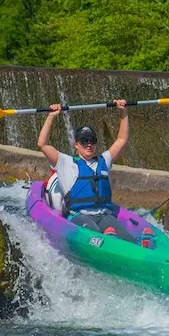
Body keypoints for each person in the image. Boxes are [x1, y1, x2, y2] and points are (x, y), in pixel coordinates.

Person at [37, 99, 139, 243]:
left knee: (130, 241)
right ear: (76, 145)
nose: (89, 144)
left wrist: (123, 111)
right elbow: (42, 144)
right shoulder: (65, 162)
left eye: (92, 140)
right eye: (84, 141)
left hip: (104, 215)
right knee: (97, 237)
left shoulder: (104, 160)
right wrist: (51, 116)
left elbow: (122, 139)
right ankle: (107, 242)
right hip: (79, 215)